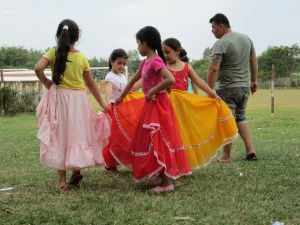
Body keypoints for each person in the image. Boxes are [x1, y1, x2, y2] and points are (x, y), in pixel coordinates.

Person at [113, 26, 192, 193]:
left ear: (145, 43)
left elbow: (169, 79)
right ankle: (160, 173)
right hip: (151, 105)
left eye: (138, 43)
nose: (137, 47)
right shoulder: (145, 62)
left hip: (159, 104)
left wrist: (153, 91)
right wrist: (121, 97)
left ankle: (166, 183)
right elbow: (133, 80)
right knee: (150, 140)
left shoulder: (156, 60)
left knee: (160, 140)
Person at [35, 19, 111, 190]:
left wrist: (47, 81)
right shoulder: (81, 56)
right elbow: (91, 83)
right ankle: (76, 169)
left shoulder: (53, 53)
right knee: (77, 133)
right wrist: (103, 104)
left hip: (59, 98)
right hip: (78, 100)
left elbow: (38, 68)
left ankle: (62, 181)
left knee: (60, 134)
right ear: (77, 37)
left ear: (58, 35)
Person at [162, 37, 238, 168]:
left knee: (183, 134)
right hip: (166, 105)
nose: (165, 55)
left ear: (177, 51)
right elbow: (145, 78)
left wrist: (212, 93)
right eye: (163, 52)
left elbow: (199, 81)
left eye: (167, 52)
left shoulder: (187, 67)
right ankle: (168, 164)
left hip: (183, 106)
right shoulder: (162, 67)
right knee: (169, 134)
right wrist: (131, 89)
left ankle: (182, 163)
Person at [207, 13, 258, 163]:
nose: (212, 31)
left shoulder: (221, 43)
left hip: (228, 88)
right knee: (241, 117)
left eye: (214, 27)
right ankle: (250, 149)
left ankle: (226, 156)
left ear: (221, 26)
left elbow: (213, 69)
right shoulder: (246, 39)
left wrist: (210, 90)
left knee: (227, 119)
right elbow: (253, 60)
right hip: (244, 87)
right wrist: (254, 80)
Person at [102, 49, 128, 174]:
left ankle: (116, 163)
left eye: (124, 63)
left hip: (123, 108)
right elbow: (108, 88)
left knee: (122, 136)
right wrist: (107, 101)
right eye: (119, 63)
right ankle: (109, 164)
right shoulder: (110, 76)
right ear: (111, 62)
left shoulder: (122, 76)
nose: (122, 66)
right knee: (113, 138)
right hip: (113, 108)